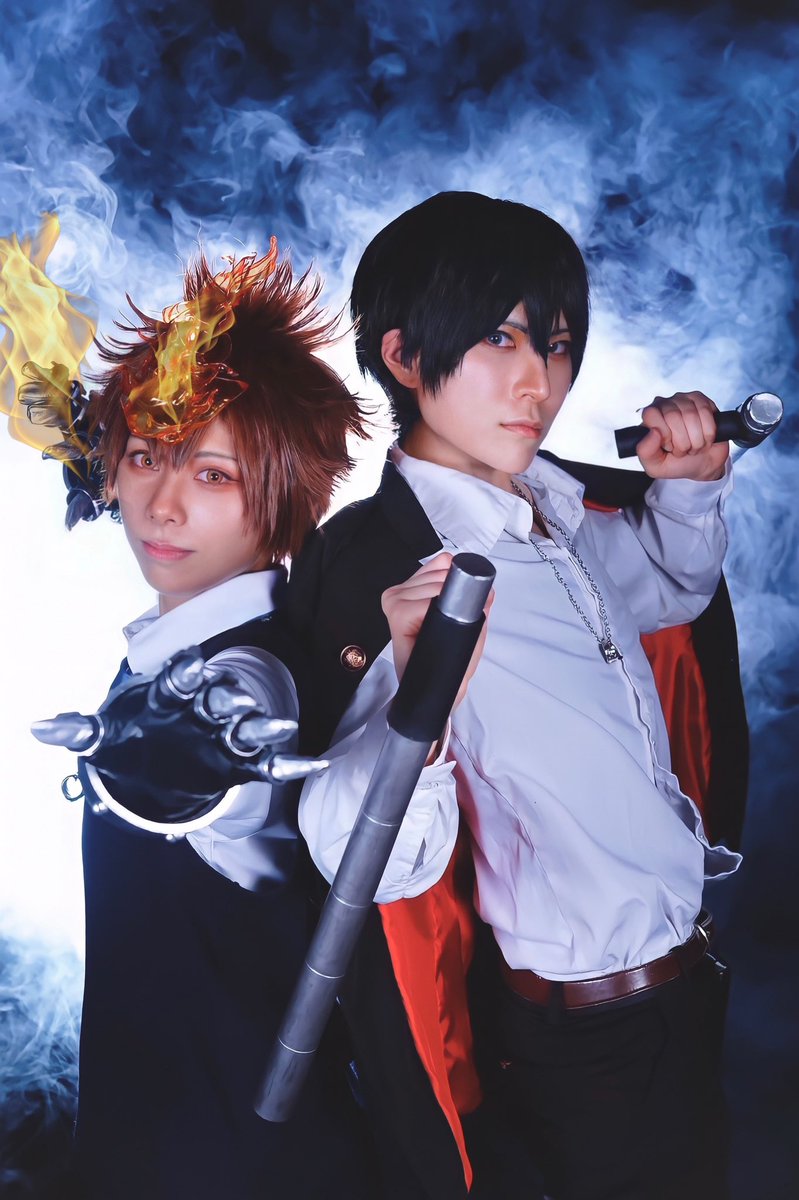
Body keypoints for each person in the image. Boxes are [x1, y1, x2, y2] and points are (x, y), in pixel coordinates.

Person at [291, 191, 744, 1200]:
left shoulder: (556, 506)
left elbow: (667, 591)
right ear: (405, 356)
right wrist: (415, 692)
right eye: (498, 338)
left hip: (685, 997)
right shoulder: (378, 566)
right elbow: (359, 856)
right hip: (585, 1047)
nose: (538, 381)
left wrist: (684, 485)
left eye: (557, 344)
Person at [30, 242, 377, 1199]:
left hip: (237, 1167)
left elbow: (233, 737)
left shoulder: (246, 670)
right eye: (145, 459)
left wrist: (197, 757)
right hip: (161, 1149)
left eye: (214, 476)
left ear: (284, 491)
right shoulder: (176, 638)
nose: (163, 505)